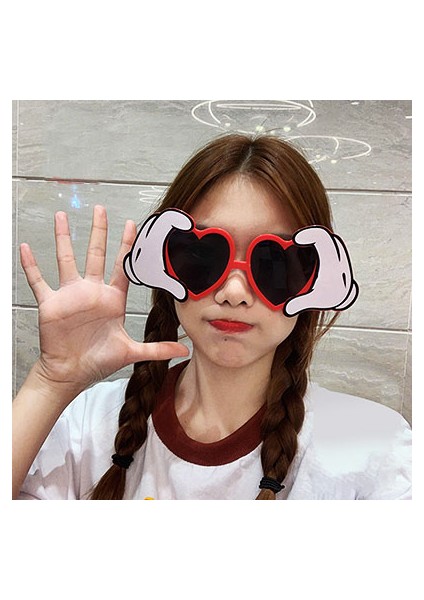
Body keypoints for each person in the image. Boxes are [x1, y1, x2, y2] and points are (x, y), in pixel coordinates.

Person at [13, 134, 411, 500]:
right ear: (167, 264)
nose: (234, 292)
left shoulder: (373, 448)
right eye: (203, 255)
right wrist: (51, 382)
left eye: (274, 263)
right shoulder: (87, 426)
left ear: (313, 278)